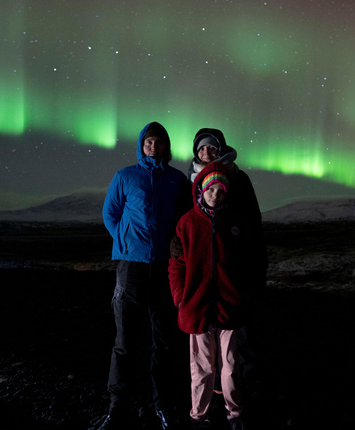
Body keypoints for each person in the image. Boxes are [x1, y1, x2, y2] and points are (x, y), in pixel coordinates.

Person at [97, 122, 192, 430]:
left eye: (159, 142)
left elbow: (186, 217)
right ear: (142, 145)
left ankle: (161, 404)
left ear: (166, 146)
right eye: (149, 141)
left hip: (164, 267)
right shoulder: (125, 176)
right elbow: (110, 213)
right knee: (125, 340)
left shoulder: (177, 180)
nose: (154, 146)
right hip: (131, 267)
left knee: (163, 341)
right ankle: (118, 406)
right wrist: (123, 241)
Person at [168, 162, 265, 430]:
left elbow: (247, 261)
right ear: (201, 190)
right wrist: (180, 298)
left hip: (230, 306)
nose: (215, 194)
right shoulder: (187, 223)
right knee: (201, 368)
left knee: (231, 365)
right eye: (210, 189)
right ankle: (199, 416)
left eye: (220, 190)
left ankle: (235, 413)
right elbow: (177, 264)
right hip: (197, 306)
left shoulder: (237, 222)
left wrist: (244, 294)